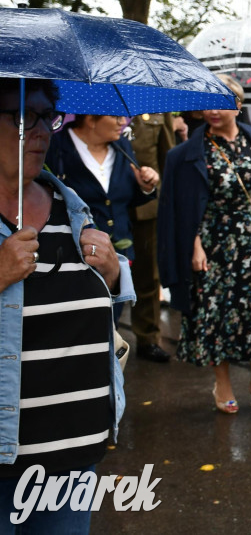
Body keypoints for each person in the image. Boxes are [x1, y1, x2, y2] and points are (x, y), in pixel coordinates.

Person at [0, 78, 133, 533]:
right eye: (24, 117)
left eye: (47, 116)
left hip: (73, 455)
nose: (42, 131)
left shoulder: (71, 207)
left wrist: (115, 274)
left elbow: (106, 296)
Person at [157, 76, 251, 414]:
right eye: (206, 103)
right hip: (212, 243)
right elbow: (182, 208)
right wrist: (194, 245)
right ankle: (222, 384)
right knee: (216, 312)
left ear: (238, 106)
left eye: (220, 103)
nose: (212, 110)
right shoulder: (185, 154)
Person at [45, 113, 159, 324]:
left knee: (110, 325)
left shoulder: (122, 146)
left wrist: (146, 187)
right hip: (73, 256)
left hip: (118, 256)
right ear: (90, 119)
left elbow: (122, 198)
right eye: (115, 117)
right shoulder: (57, 147)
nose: (122, 123)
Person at [127, 112, 177, 363]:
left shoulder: (156, 107)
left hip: (147, 207)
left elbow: (167, 157)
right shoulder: (97, 97)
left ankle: (148, 338)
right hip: (108, 203)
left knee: (148, 276)